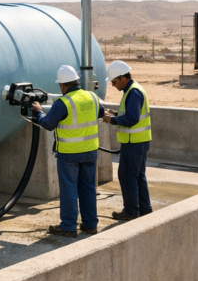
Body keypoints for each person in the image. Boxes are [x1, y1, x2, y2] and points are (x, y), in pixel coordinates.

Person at [30, 64, 104, 237]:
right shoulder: (92, 96)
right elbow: (100, 113)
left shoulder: (63, 103)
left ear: (62, 86)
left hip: (70, 154)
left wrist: (39, 112)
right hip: (90, 151)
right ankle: (90, 224)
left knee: (69, 189)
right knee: (88, 188)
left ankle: (69, 226)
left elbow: (48, 124)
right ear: (76, 81)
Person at [102, 61, 152, 220]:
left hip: (134, 143)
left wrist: (113, 121)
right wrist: (114, 113)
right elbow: (129, 113)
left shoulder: (133, 92)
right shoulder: (132, 90)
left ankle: (131, 211)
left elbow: (132, 118)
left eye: (114, 81)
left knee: (127, 175)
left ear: (123, 78)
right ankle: (144, 209)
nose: (112, 84)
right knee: (138, 176)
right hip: (138, 142)